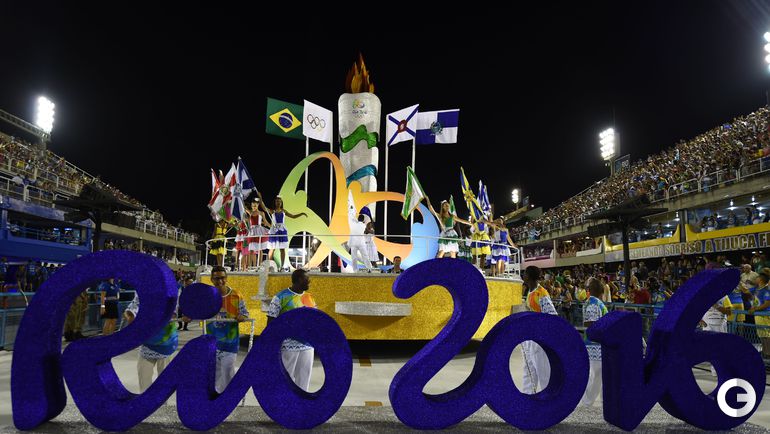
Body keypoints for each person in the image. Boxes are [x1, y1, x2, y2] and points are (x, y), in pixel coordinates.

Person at [267, 269, 317, 391]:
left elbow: (315, 320)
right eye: (307, 279)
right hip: (287, 346)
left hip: (308, 346)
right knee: (285, 380)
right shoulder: (280, 297)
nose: (309, 281)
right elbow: (271, 323)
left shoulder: (309, 297)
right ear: (299, 280)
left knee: (304, 380)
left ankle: (301, 402)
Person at [202, 265, 248, 393]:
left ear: (226, 278)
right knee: (213, 376)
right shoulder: (207, 296)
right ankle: (215, 399)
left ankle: (226, 399)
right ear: (211, 279)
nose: (220, 281)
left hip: (230, 343)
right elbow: (199, 311)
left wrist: (242, 316)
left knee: (228, 375)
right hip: (211, 344)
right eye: (216, 278)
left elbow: (245, 313)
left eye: (222, 278)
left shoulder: (236, 295)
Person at [124, 292, 180, 392]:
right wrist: (130, 316)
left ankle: (162, 402)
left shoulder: (170, 291)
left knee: (164, 385)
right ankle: (146, 401)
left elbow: (173, 313)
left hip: (166, 344)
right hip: (146, 345)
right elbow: (132, 308)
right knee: (144, 384)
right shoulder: (143, 290)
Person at [521, 266, 557, 394]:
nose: (523, 275)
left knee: (542, 371)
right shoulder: (530, 292)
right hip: (529, 337)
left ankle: (548, 398)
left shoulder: (542, 293)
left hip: (539, 338)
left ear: (529, 276)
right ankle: (528, 397)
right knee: (528, 371)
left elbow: (552, 315)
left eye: (525, 273)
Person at [258, 192, 307, 271]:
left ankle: (282, 267)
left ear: (281, 203)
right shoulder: (272, 211)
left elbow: (293, 216)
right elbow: (264, 207)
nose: (278, 203)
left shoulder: (284, 211)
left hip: (282, 231)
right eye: (277, 201)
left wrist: (301, 214)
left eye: (280, 201)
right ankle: (269, 266)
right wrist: (260, 199)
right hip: (274, 231)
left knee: (282, 249)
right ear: (275, 202)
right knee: (272, 249)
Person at [580, 278, 608, 406]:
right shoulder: (594, 304)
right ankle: (586, 401)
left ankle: (590, 400)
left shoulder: (592, 303)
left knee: (597, 374)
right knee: (595, 374)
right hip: (595, 345)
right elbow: (590, 324)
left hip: (594, 344)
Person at [699, 292, 732, 376]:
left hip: (720, 325)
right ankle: (715, 369)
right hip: (708, 326)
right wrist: (700, 321)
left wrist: (716, 306)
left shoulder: (724, 297)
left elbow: (729, 312)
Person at [748, 273, 770, 359]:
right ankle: (765, 352)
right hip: (758, 315)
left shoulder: (766, 290)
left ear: (760, 279)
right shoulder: (758, 289)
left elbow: (767, 304)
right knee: (762, 335)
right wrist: (753, 307)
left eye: (757, 277)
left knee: (766, 335)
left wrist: (755, 309)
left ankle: (768, 354)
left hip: (764, 315)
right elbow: (755, 301)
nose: (755, 279)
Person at [245, 199, 270, 269]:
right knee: (251, 249)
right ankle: (250, 266)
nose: (254, 207)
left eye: (255, 206)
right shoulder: (250, 212)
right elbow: (243, 207)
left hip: (259, 230)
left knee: (260, 249)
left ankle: (259, 265)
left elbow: (265, 222)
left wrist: (271, 227)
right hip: (252, 232)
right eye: (253, 206)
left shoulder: (261, 213)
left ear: (258, 205)